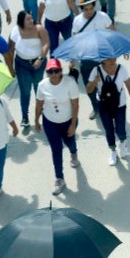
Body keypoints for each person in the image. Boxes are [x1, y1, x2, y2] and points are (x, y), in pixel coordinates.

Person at [35, 59, 80, 197]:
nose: (54, 74)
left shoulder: (70, 83)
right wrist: (36, 120)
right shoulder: (42, 85)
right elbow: (39, 104)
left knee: (69, 142)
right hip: (50, 122)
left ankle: (74, 153)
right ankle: (59, 178)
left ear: (61, 71)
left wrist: (73, 125)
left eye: (56, 71)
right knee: (56, 149)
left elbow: (75, 104)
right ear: (46, 72)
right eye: (50, 71)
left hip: (67, 121)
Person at [87, 57, 130, 166]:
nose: (113, 59)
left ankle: (123, 144)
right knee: (108, 129)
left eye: (114, 57)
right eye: (109, 58)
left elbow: (129, 85)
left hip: (120, 104)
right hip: (104, 105)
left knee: (120, 128)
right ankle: (113, 151)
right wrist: (95, 82)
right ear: (103, 60)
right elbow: (88, 90)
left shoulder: (122, 69)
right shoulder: (96, 71)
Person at [8, 12, 49, 127]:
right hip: (22, 65)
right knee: (25, 92)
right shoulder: (15, 31)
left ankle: (41, 112)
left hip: (38, 64)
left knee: (38, 88)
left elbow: (46, 44)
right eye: (27, 19)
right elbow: (11, 50)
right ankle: (25, 117)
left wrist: (40, 59)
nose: (31, 21)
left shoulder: (39, 29)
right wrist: (11, 68)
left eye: (32, 18)